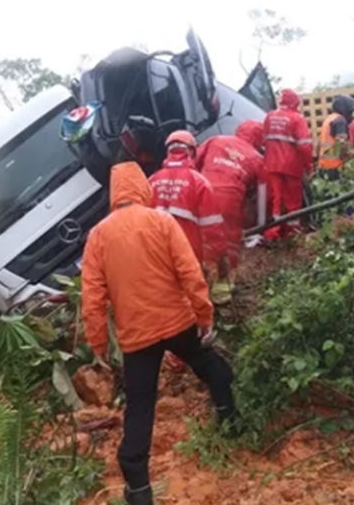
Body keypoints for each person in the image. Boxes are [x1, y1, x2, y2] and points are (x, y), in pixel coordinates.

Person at [81, 161, 237, 505]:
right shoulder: (162, 221)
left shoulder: (98, 236)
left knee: (140, 404)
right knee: (210, 365)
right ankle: (232, 420)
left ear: (114, 194)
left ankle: (138, 487)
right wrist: (204, 314)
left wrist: (98, 346)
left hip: (137, 337)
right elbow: (189, 272)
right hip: (177, 322)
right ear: (141, 188)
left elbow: (92, 299)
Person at [194, 120, 266, 304]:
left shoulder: (215, 140)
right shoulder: (257, 158)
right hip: (230, 200)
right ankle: (221, 294)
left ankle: (197, 289)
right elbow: (262, 195)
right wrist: (260, 227)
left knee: (200, 241)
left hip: (202, 194)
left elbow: (193, 163)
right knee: (228, 244)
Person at [147, 130, 224, 272]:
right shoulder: (199, 182)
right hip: (188, 252)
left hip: (157, 254)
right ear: (192, 152)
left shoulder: (151, 181)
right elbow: (212, 225)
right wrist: (216, 256)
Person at [262, 89, 313, 241]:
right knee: (293, 202)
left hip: (272, 164)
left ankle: (273, 234)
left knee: (276, 201)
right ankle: (292, 234)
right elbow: (304, 146)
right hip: (291, 166)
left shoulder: (270, 116)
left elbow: (265, 139)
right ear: (295, 102)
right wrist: (308, 165)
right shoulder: (297, 118)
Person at [316, 95, 354, 179]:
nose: (351, 114)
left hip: (323, 166)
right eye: (350, 111)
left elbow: (318, 145)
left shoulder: (328, 119)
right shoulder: (340, 121)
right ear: (344, 108)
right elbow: (341, 143)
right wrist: (348, 158)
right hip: (335, 168)